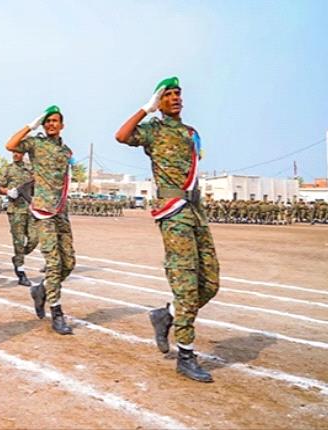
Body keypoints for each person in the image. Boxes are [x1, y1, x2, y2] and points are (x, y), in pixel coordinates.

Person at [114, 76, 219, 383]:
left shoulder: (191, 133)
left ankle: (167, 314)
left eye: (177, 94)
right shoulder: (153, 130)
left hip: (196, 211)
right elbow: (121, 136)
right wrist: (145, 109)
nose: (175, 98)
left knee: (210, 282)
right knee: (186, 283)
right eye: (168, 95)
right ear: (159, 102)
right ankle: (185, 355)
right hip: (173, 213)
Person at [6, 105, 75, 335]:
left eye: (55, 121)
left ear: (62, 125)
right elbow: (11, 145)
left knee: (69, 263)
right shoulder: (36, 144)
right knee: (53, 263)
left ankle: (42, 289)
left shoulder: (67, 152)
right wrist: (30, 126)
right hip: (43, 211)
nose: (51, 124)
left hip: (61, 211)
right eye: (47, 121)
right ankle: (56, 311)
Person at [0, 151, 37, 286]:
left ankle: (18, 257)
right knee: (18, 242)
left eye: (18, 152)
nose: (15, 154)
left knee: (34, 238)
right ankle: (21, 272)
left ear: (23, 154)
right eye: (14, 152)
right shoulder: (8, 169)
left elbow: (37, 185)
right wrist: (8, 191)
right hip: (15, 210)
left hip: (30, 209)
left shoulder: (30, 169)